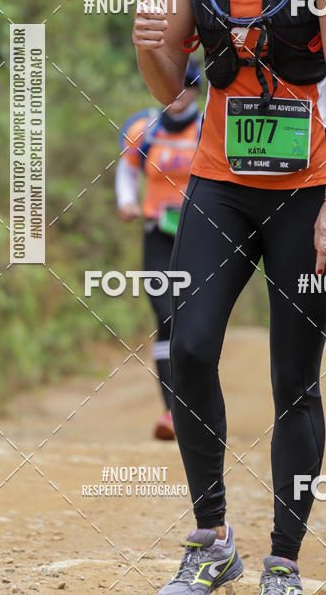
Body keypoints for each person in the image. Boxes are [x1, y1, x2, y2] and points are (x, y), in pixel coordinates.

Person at [132, 0, 326, 594]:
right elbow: (168, 89)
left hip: (306, 191)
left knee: (292, 377)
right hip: (219, 183)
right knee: (189, 350)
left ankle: (284, 563)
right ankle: (212, 541)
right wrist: (150, 47)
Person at [116, 61, 202, 440]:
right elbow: (128, 168)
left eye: (186, 86)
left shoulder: (212, 127)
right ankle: (171, 412)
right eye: (172, 85)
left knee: (194, 323)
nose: (178, 93)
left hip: (200, 237)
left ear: (198, 90)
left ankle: (197, 408)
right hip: (157, 233)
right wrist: (125, 200)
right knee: (165, 316)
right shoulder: (143, 127)